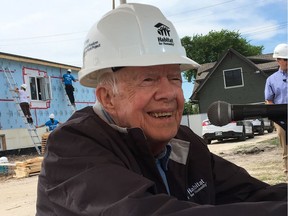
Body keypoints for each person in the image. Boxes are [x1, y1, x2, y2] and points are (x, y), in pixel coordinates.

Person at [36, 3, 287, 216]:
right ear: (108, 97)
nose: (169, 93)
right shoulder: (71, 149)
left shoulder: (184, 143)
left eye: (175, 78)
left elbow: (252, 193)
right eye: (149, 79)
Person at [265, 43, 288, 173]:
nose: (287, 62)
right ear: (278, 60)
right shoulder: (271, 80)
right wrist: (276, 119)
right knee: (286, 147)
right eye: (285, 59)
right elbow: (269, 101)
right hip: (280, 118)